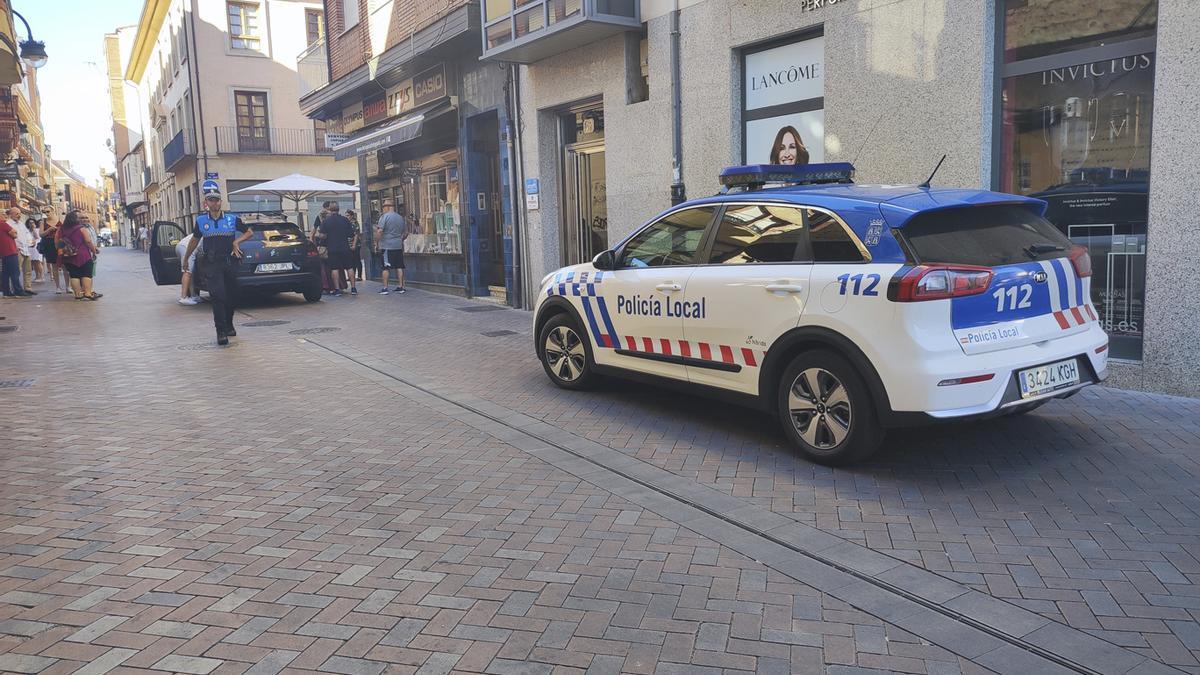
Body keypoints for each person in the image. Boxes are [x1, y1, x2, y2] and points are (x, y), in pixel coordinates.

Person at [182, 188, 251, 345]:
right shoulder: (201, 221)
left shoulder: (232, 219)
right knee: (217, 296)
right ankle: (221, 332)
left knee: (232, 296)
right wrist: (186, 258)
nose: (214, 202)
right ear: (206, 203)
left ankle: (229, 324)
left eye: (217, 200)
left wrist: (236, 241)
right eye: (211, 200)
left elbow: (249, 232)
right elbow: (194, 240)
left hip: (229, 261)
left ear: (221, 202)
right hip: (212, 264)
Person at [57, 211, 102, 300]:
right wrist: (94, 250)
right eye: (79, 218)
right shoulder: (81, 229)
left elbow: (57, 242)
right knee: (86, 274)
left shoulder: (61, 229)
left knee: (74, 275)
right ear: (75, 219)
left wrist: (62, 252)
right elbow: (88, 241)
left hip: (68, 256)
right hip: (83, 255)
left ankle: (77, 295)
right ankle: (88, 294)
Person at [317, 202, 354, 297]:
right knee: (349, 268)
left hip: (332, 249)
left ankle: (337, 289)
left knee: (335, 269)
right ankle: (353, 288)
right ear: (338, 209)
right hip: (345, 248)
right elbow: (351, 234)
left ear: (329, 209)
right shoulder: (345, 220)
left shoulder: (326, 221)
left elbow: (322, 236)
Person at [375, 200, 407, 295]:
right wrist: (400, 240)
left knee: (385, 267)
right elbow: (406, 233)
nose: (383, 209)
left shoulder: (384, 217)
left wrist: (376, 242)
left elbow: (380, 231)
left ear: (387, 207)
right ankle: (401, 286)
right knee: (399, 266)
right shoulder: (400, 218)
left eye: (383, 206)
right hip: (398, 246)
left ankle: (385, 288)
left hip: (387, 246)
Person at [0, 214, 26, 298]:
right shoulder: (3, 224)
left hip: (3, 252)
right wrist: (15, 234)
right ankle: (18, 290)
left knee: (5, 273)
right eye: (3, 214)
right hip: (10, 250)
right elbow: (14, 232)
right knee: (15, 272)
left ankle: (6, 291)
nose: (5, 215)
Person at [39, 214, 64, 294]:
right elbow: (41, 234)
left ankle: (68, 286)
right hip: (50, 244)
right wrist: (49, 229)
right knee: (54, 266)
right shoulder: (43, 222)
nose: (46, 213)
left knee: (65, 266)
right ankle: (58, 287)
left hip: (61, 243)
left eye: (48, 211)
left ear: (53, 211)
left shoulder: (60, 219)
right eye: (44, 211)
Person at [175, 231, 201, 305]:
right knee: (187, 271)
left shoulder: (204, 231)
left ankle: (193, 295)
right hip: (187, 248)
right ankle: (183, 297)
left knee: (190, 272)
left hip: (180, 245)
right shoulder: (208, 235)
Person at [344, 209, 361, 293]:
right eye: (346, 215)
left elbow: (356, 234)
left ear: (351, 216)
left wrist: (354, 245)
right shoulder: (347, 223)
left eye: (347, 215)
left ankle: (359, 275)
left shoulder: (354, 223)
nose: (346, 217)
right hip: (349, 245)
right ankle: (352, 276)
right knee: (352, 261)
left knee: (357, 260)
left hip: (355, 245)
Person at [27, 216, 44, 283]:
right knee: (33, 262)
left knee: (38, 262)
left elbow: (37, 237)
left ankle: (41, 276)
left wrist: (33, 229)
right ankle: (37, 276)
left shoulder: (37, 229)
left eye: (33, 222)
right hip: (30, 248)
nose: (31, 224)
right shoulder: (27, 231)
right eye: (30, 223)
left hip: (36, 248)